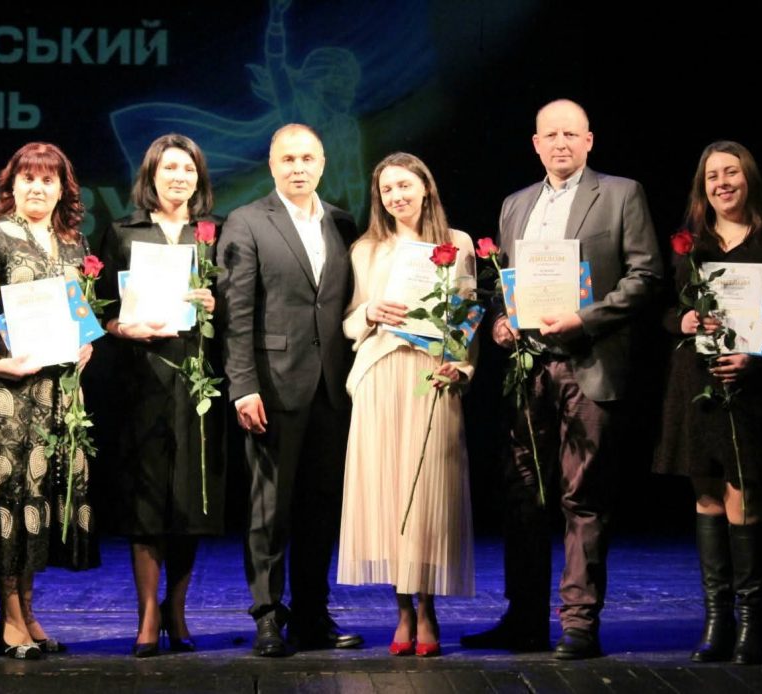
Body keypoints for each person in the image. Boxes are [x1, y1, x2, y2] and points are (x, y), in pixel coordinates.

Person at [461, 99, 662, 659]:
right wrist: (500, 321)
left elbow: (646, 276)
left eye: (571, 134)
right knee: (523, 495)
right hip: (528, 368)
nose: (561, 143)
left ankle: (579, 623)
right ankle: (524, 620)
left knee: (583, 496)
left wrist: (584, 318)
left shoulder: (621, 194)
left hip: (587, 362)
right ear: (536, 144)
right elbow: (501, 282)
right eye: (550, 135)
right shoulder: (516, 204)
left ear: (589, 140)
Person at [654, 141, 762, 665]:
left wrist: (754, 360)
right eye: (712, 176)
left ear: (749, 179)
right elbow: (665, 310)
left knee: (746, 498)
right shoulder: (690, 244)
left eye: (731, 173)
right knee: (707, 498)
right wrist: (682, 321)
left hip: (751, 388)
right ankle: (717, 622)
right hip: (695, 385)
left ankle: (750, 624)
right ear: (703, 187)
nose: (722, 183)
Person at [216, 123, 362, 656]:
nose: (298, 167)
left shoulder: (342, 222)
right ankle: (267, 615)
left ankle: (312, 614)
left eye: (307, 158)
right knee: (270, 509)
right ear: (272, 165)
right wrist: (243, 386)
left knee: (321, 508)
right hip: (273, 387)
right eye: (287, 159)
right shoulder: (247, 221)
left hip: (333, 388)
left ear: (322, 163)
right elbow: (235, 313)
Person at [0, 142, 98, 659]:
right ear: (11, 185)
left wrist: (86, 344)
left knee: (41, 496)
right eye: (28, 178)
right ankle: (10, 620)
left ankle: (29, 613)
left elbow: (80, 312)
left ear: (63, 189)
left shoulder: (73, 242)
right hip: (9, 393)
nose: (37, 188)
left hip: (60, 392)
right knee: (10, 498)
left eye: (47, 180)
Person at [336, 153, 476, 657]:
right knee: (390, 494)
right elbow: (349, 321)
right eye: (387, 189)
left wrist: (460, 367)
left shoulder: (457, 243)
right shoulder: (366, 249)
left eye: (405, 185)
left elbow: (467, 316)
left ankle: (428, 609)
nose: (397, 196)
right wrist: (370, 313)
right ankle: (401, 610)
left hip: (430, 377)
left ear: (425, 187)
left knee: (429, 495)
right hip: (379, 374)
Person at [96, 133, 225, 657]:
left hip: (198, 382)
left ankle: (178, 609)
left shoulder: (214, 233)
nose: (179, 177)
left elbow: (238, 302)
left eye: (188, 169)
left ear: (199, 178)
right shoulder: (122, 231)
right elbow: (100, 307)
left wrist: (215, 303)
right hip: (142, 379)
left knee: (190, 499)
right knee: (146, 499)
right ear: (150, 175)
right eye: (169, 168)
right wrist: (121, 327)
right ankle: (148, 613)